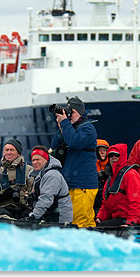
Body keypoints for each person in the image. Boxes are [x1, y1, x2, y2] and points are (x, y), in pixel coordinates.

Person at [51, 96, 98, 228]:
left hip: (83, 185)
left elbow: (74, 142)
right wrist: (61, 127)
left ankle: (81, 246)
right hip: (74, 184)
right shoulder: (71, 129)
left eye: (73, 112)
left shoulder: (88, 128)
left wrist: (66, 123)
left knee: (78, 223)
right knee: (85, 222)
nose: (70, 115)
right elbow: (55, 145)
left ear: (81, 113)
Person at [95, 144, 140, 227]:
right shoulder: (111, 178)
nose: (113, 157)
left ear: (122, 156)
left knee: (101, 228)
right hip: (119, 217)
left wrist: (131, 222)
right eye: (110, 155)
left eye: (116, 155)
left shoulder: (131, 175)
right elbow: (106, 204)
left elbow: (137, 202)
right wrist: (100, 217)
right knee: (98, 226)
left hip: (133, 219)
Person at [24, 145, 73, 224]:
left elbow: (46, 199)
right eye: (33, 160)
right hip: (48, 214)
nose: (35, 162)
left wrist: (34, 216)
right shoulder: (40, 174)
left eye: (38, 159)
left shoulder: (52, 175)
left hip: (59, 218)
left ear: (46, 160)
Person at [0, 139, 33, 219]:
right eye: (6, 150)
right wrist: (1, 196)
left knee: (28, 216)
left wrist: (26, 196)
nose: (9, 152)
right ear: (3, 152)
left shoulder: (29, 170)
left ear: (18, 153)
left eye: (12, 150)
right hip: (3, 207)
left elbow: (33, 190)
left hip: (23, 207)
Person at [93, 139, 110, 214]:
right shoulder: (91, 165)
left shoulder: (111, 165)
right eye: (100, 150)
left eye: (105, 150)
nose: (103, 152)